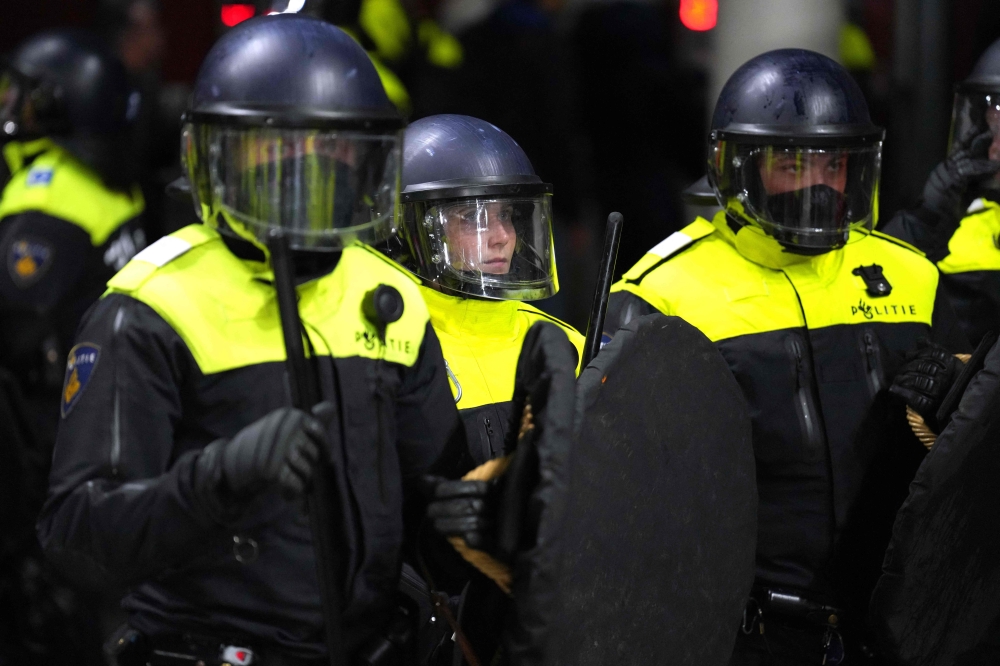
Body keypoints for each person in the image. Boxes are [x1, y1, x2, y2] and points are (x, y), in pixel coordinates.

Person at [37, 14, 469, 664]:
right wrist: (218, 478)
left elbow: (436, 499)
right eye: (279, 149)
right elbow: (78, 539)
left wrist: (496, 504)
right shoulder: (150, 306)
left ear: (369, 159)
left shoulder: (391, 294)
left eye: (336, 148)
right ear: (213, 156)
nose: (310, 172)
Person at [605, 49, 969, 664]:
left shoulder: (912, 278)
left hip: (898, 627)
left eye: (833, 163)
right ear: (738, 170)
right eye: (792, 163)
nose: (818, 185)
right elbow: (621, 502)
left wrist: (949, 407)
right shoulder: (660, 295)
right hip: (745, 638)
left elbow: (968, 450)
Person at [385, 114, 584, 466]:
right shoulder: (388, 350)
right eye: (474, 219)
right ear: (413, 231)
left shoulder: (564, 345)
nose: (503, 237)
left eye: (506, 214)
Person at [0, 29, 146, 445]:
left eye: (23, 97)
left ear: (57, 105)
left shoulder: (45, 201)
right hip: (119, 397)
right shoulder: (113, 178)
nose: (10, 106)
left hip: (54, 429)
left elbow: (16, 337)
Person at [883, 37, 1000, 347]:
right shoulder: (963, 216)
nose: (994, 147)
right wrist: (927, 217)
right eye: (992, 126)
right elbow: (877, 287)